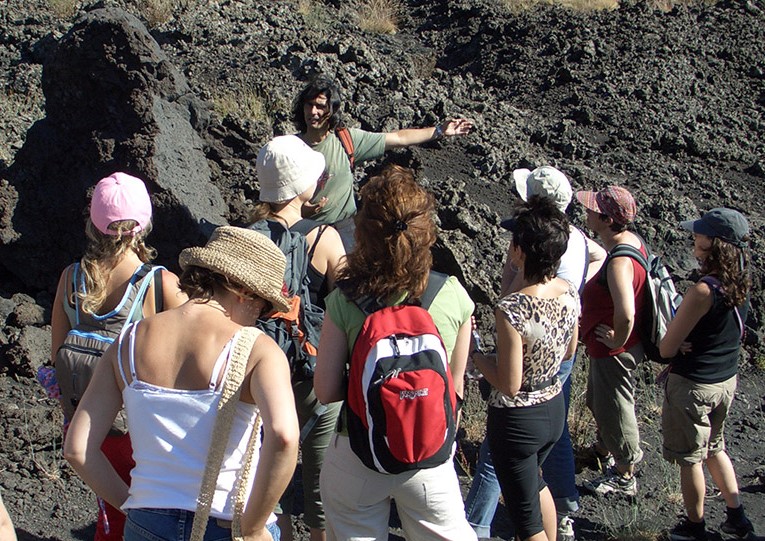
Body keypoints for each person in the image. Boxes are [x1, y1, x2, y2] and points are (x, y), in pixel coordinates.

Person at [64, 225, 300, 541]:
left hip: (146, 523)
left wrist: (134, 508)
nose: (259, 316)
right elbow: (284, 437)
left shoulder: (128, 341)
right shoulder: (257, 349)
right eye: (264, 306)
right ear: (245, 293)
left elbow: (77, 450)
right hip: (224, 525)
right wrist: (255, 526)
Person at [313, 164, 477, 541]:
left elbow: (325, 391)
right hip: (429, 454)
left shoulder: (344, 302)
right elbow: (455, 389)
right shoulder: (453, 295)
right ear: (425, 234)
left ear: (364, 234)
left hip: (358, 451)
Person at [465, 166, 606, 541]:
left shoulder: (512, 309)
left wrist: (475, 357)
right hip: (553, 408)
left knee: (526, 525)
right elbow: (569, 352)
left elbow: (509, 386)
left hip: (517, 421)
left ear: (520, 251)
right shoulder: (567, 291)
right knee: (537, 487)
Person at [50, 172, 186, 541]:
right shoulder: (160, 285)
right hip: (138, 433)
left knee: (112, 513)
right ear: (143, 226)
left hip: (84, 426)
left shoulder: (70, 278)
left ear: (93, 224)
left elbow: (56, 354)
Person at [252, 135, 346, 541]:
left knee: (272, 474)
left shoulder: (249, 238)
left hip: (260, 376)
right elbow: (347, 307)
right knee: (319, 482)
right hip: (311, 376)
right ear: (298, 187)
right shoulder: (325, 239)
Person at [658, 209, 755, 541]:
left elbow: (667, 348)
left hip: (693, 387)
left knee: (690, 459)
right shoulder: (740, 281)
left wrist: (675, 339)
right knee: (715, 447)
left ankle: (695, 527)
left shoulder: (703, 290)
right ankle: (737, 518)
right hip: (725, 381)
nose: (694, 238)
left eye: (700, 235)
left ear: (715, 244)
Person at [294, 75, 474, 248]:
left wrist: (440, 131)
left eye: (320, 106)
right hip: (305, 230)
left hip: (345, 230)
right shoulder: (289, 147)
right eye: (308, 105)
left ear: (332, 110)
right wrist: (301, 210)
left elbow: (398, 138)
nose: (313, 112)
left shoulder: (346, 140)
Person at [575, 185, 647, 496]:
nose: (587, 211)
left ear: (605, 219)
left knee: (616, 409)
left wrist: (618, 336)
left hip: (614, 350)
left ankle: (624, 474)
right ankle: (604, 449)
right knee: (599, 401)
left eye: (593, 209)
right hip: (613, 347)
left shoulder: (619, 260)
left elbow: (626, 312)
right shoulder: (632, 242)